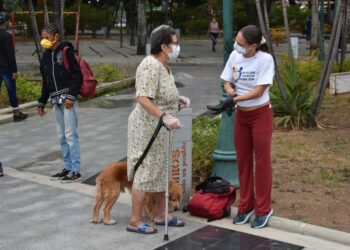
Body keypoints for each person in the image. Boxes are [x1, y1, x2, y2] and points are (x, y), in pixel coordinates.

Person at [127, 25, 190, 234]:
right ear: (163, 46)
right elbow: (142, 97)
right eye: (174, 43)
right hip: (148, 130)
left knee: (161, 172)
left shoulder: (164, 65)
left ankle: (160, 214)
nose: (177, 46)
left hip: (162, 130)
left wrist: (177, 101)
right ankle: (135, 220)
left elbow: (160, 95)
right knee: (145, 172)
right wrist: (163, 116)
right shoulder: (150, 65)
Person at [220, 25, 275, 229]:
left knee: (261, 163)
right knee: (242, 162)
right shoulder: (235, 56)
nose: (237, 46)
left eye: (241, 44)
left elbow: (260, 91)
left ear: (253, 46)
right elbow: (226, 81)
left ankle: (263, 209)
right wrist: (230, 91)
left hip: (260, 115)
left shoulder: (265, 60)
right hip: (242, 115)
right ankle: (246, 206)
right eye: (236, 41)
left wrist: (237, 99)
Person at [37, 23, 83, 182]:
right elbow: (46, 81)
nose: (44, 41)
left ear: (56, 36)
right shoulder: (45, 56)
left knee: (71, 135)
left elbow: (77, 76)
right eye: (42, 38)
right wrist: (41, 102)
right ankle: (67, 167)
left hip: (67, 100)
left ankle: (75, 170)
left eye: (47, 38)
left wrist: (71, 96)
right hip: (55, 101)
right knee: (62, 136)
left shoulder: (66, 51)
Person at [0, 11, 28, 122]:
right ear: (5, 21)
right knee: (11, 91)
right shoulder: (7, 36)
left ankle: (17, 113)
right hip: (6, 68)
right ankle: (16, 114)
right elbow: (10, 55)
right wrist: (14, 71)